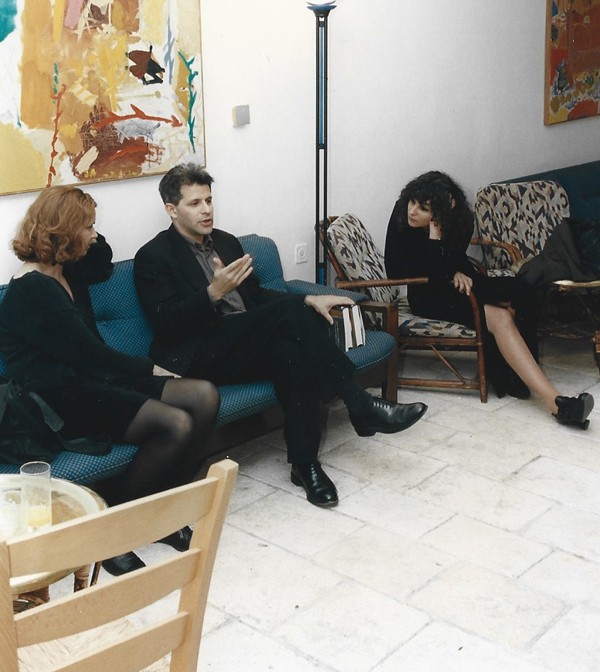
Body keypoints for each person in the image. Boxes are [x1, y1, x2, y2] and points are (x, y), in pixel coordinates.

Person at [134, 164, 428, 508]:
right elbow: (166, 323)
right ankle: (359, 404)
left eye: (209, 200)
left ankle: (305, 465)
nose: (206, 210)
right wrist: (212, 294)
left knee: (291, 353)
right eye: (194, 203)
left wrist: (308, 298)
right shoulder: (153, 256)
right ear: (172, 210)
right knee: (288, 321)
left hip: (246, 343)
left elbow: (256, 296)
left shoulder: (226, 242)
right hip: (200, 353)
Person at [0, 186, 220, 576]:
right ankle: (113, 527)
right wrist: (150, 368)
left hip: (92, 381)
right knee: (176, 423)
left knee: (203, 396)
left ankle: (157, 510)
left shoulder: (67, 269)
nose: (94, 235)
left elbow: (102, 263)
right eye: (88, 227)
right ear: (66, 231)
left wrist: (84, 232)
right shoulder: (32, 290)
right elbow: (90, 355)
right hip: (56, 401)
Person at [384, 170, 594, 429]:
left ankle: (514, 372)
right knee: (500, 317)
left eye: (423, 208)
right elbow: (395, 271)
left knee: (521, 290)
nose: (413, 211)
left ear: (442, 211)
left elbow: (454, 258)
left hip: (458, 281)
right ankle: (556, 403)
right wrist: (434, 235)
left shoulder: (461, 218)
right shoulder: (401, 213)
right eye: (413, 202)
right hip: (427, 293)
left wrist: (453, 269)